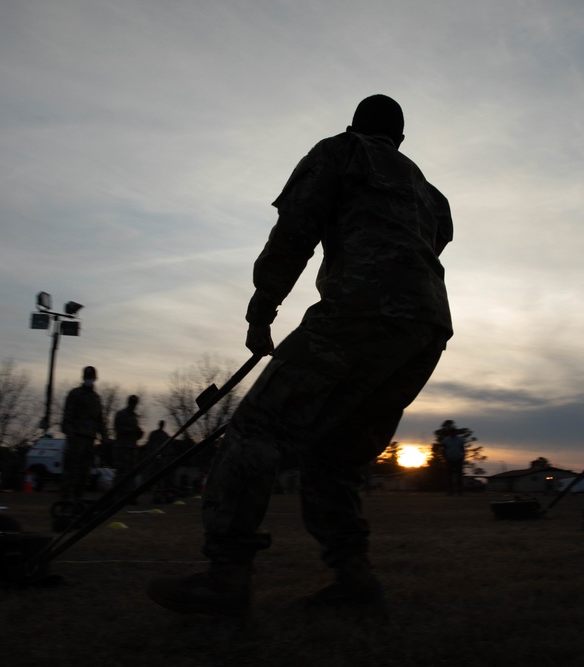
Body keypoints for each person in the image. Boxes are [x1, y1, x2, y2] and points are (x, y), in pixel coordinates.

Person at [147, 94, 453, 614]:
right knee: (332, 456)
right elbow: (426, 248)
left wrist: (262, 309)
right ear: (401, 141)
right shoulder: (432, 195)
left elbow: (295, 231)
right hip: (426, 332)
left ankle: (226, 576)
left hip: (359, 312)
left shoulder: (340, 151)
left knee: (254, 431)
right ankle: (354, 580)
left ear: (354, 126)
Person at [60, 366, 107, 500]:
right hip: (76, 439)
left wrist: (104, 438)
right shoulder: (75, 394)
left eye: (91, 377)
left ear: (95, 378)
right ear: (83, 377)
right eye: (87, 377)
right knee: (71, 472)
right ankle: (66, 501)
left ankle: (77, 499)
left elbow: (99, 420)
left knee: (84, 473)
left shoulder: (96, 398)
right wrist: (70, 434)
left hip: (89, 440)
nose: (89, 379)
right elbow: (66, 418)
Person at [113, 395, 144, 502]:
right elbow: (119, 429)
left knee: (131, 473)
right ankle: (116, 495)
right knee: (121, 472)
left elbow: (135, 432)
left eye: (135, 403)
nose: (134, 405)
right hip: (122, 448)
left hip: (132, 448)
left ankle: (128, 495)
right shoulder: (121, 414)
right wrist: (133, 430)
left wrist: (139, 433)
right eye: (132, 403)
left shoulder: (134, 416)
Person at [441, 427, 466, 496]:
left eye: (453, 432)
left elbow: (462, 449)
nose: (452, 433)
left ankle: (460, 492)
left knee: (459, 476)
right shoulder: (446, 440)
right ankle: (450, 492)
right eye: (451, 432)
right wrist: (445, 457)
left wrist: (463, 457)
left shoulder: (459, 440)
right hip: (449, 459)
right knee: (449, 476)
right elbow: (444, 449)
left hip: (458, 459)